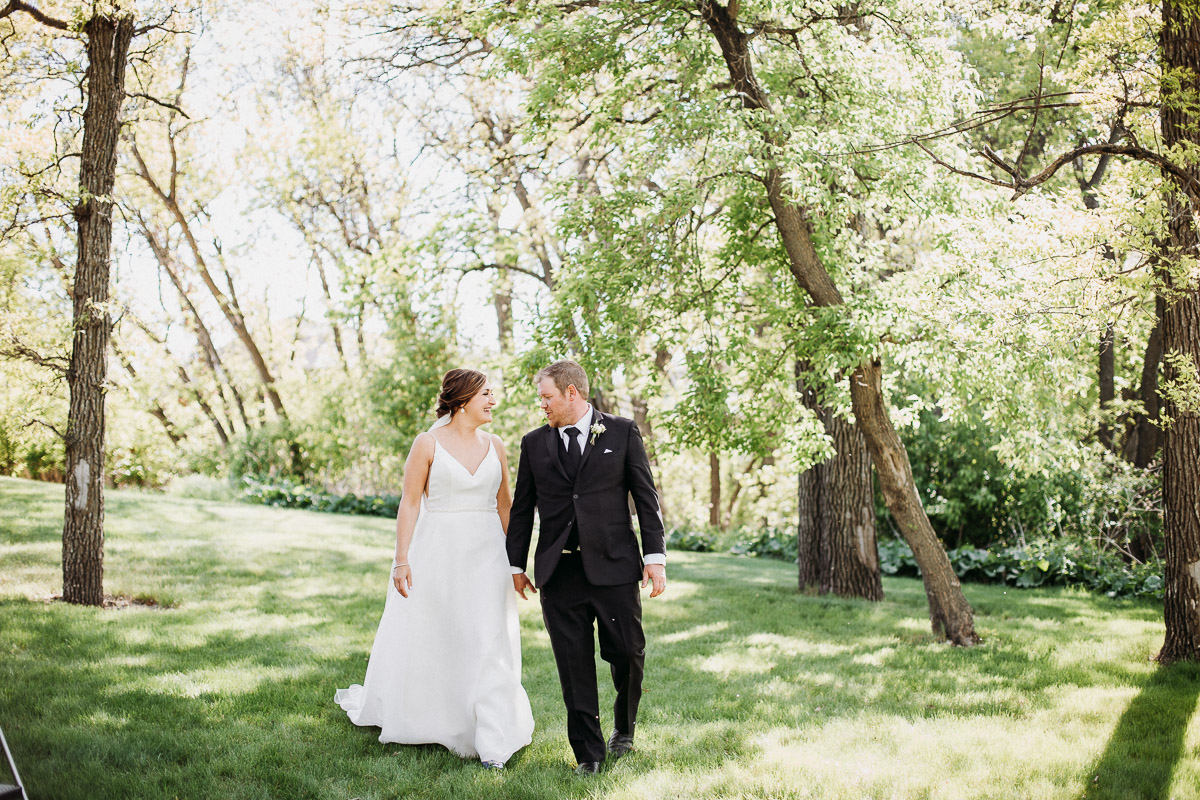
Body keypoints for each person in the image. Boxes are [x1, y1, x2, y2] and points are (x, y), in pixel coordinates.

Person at [335, 369, 534, 769]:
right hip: (438, 552)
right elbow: (410, 503)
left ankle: (491, 734)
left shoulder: (495, 445)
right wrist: (401, 559)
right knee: (440, 634)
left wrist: (517, 563)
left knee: (488, 637)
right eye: (486, 394)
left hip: (488, 556)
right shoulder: (427, 443)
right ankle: (436, 717)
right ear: (462, 399)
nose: (493, 401)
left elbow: (505, 507)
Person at [507, 359, 667, 775]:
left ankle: (624, 729)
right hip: (559, 573)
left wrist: (655, 558)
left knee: (628, 652)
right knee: (573, 663)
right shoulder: (533, 443)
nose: (542, 404)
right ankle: (588, 755)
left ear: (571, 393)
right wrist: (516, 564)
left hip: (615, 567)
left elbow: (645, 498)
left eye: (547, 397)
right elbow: (522, 508)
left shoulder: (622, 431)